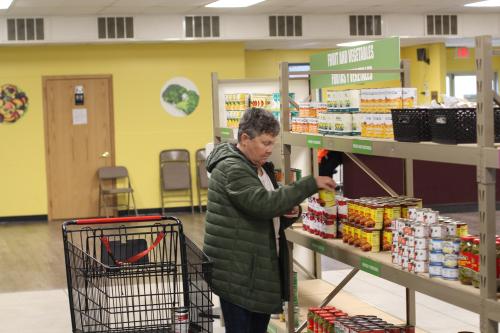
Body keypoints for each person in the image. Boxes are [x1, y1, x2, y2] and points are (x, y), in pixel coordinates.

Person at [203, 107, 336, 333]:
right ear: (245, 138)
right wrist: (309, 183)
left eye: (272, 143)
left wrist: (288, 212)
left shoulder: (258, 167)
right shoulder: (232, 167)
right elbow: (263, 204)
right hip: (238, 272)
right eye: (265, 143)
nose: (270, 150)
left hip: (252, 267)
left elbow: (264, 209)